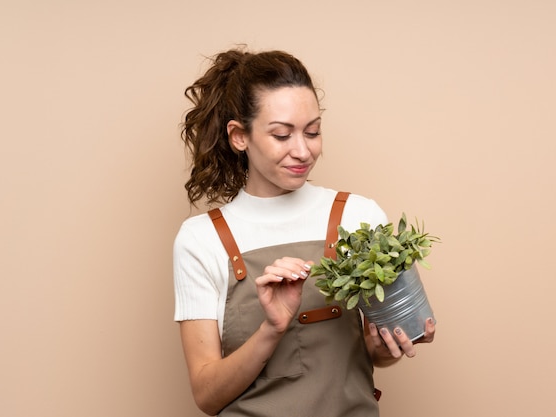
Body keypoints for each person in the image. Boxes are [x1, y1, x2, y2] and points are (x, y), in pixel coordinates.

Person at [173, 47, 435, 416]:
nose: (303, 151)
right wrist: (272, 328)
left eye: (312, 132)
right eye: (282, 135)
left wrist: (386, 345)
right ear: (239, 136)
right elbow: (206, 395)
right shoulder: (201, 238)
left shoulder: (359, 215)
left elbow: (367, 357)